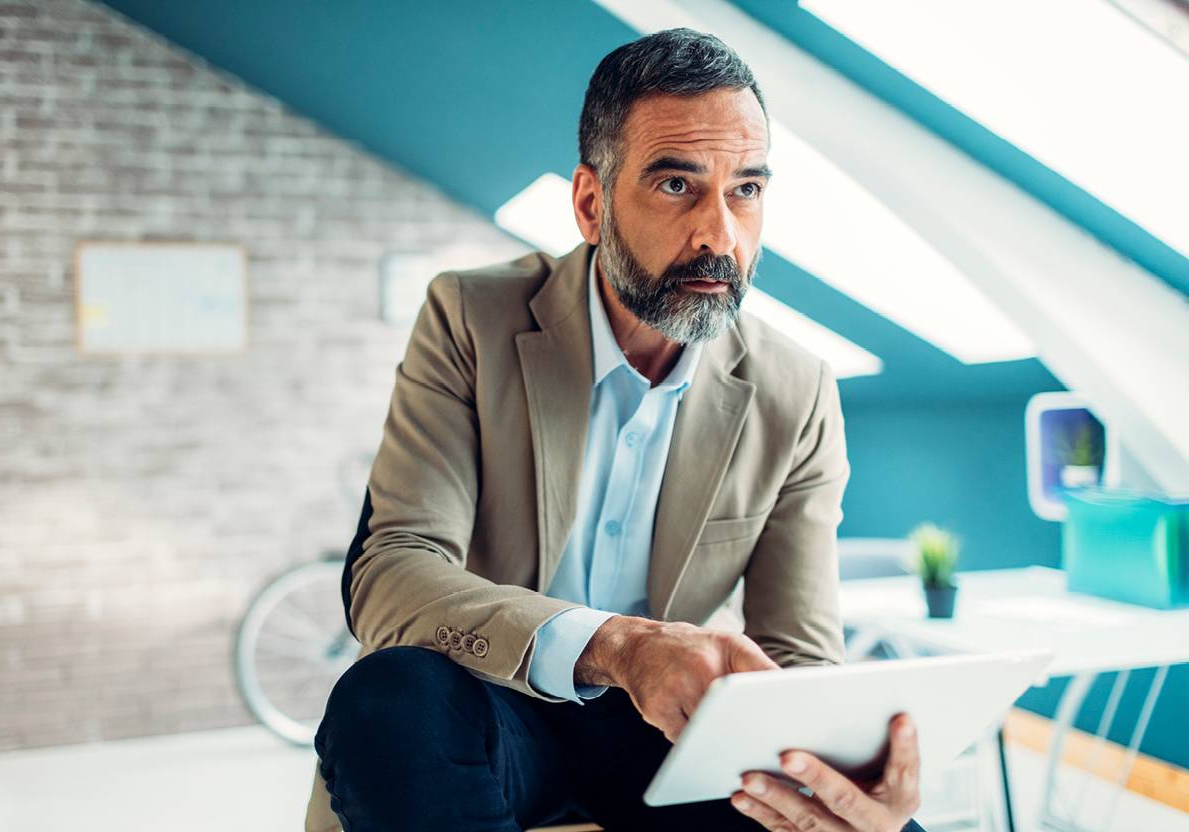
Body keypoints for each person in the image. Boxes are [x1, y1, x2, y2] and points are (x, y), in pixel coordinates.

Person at [312, 28, 925, 832]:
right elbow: (390, 575)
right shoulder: (470, 317)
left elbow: (800, 658)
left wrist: (853, 777)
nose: (720, 235)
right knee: (386, 698)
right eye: (678, 185)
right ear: (591, 204)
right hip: (485, 715)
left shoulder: (797, 388)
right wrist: (618, 648)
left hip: (667, 742)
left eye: (746, 189)